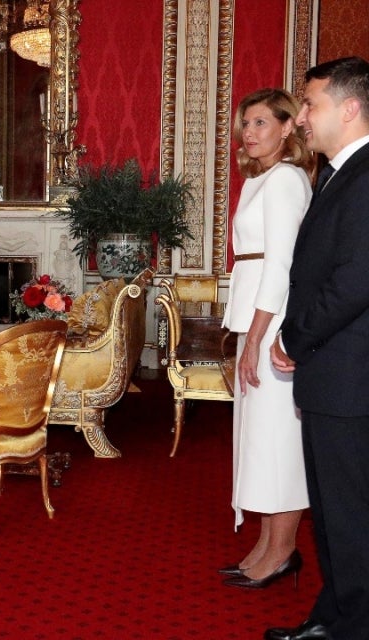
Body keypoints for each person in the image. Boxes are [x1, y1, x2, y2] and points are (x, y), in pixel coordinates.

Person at [267, 57, 369, 640]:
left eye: (311, 105)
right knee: (331, 514)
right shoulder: (336, 172)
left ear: (350, 109)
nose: (301, 117)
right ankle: (335, 615)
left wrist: (293, 337)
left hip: (351, 378)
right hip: (331, 374)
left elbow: (355, 281)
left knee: (351, 515)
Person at [220, 88, 313, 590]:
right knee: (260, 439)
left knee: (279, 442)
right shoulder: (262, 179)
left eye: (260, 123)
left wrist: (257, 338)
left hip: (272, 321)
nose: (250, 133)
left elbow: (279, 267)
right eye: (246, 125)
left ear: (286, 128)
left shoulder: (286, 180)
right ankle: (265, 546)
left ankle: (282, 552)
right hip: (255, 317)